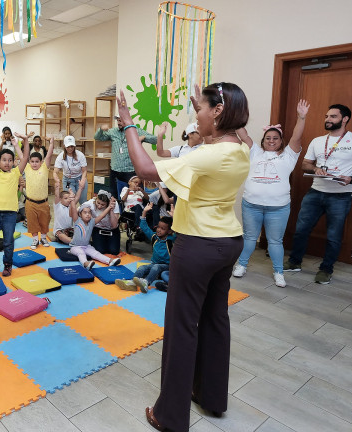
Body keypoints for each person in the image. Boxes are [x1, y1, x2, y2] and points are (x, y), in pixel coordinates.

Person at [118, 82, 250, 432]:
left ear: (218, 111)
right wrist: (207, 119)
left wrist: (128, 122)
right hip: (229, 241)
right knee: (214, 321)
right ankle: (211, 397)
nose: (196, 117)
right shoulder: (240, 150)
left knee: (181, 328)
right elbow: (212, 143)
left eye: (200, 110)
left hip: (198, 246)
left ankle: (170, 416)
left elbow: (146, 169)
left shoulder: (207, 155)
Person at [284, 103, 352, 284]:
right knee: (301, 230)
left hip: (341, 196)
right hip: (315, 193)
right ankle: (294, 262)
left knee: (334, 236)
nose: (328, 119)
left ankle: (326, 270)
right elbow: (305, 164)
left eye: (333, 116)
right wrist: (316, 168)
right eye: (327, 116)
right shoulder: (317, 141)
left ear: (345, 119)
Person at [232, 100, 310, 288]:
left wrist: (301, 117)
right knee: (250, 237)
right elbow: (243, 134)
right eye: (268, 138)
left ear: (281, 141)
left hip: (279, 208)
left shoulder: (289, 155)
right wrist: (235, 113)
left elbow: (296, 138)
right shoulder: (255, 152)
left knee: (275, 241)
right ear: (263, 140)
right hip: (251, 204)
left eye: (275, 138)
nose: (271, 141)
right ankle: (241, 265)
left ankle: (278, 272)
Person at [0, 127, 30, 276]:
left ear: (13, 161)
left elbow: (26, 157)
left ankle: (7, 264)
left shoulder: (16, 173)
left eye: (10, 160)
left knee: (8, 242)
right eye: (4, 160)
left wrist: (25, 140)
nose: (7, 163)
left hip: (10, 215)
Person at [94, 115, 157, 199]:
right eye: (118, 121)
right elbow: (98, 137)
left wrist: (144, 137)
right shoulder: (113, 131)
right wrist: (101, 129)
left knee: (134, 195)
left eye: (121, 121)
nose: (119, 123)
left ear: (127, 121)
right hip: (115, 171)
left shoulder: (136, 131)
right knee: (115, 196)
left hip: (130, 171)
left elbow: (155, 140)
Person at [116, 208, 175, 293]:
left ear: (169, 231)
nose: (159, 229)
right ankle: (132, 283)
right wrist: (144, 212)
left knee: (156, 267)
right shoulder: (154, 237)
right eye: (158, 227)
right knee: (142, 268)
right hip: (154, 264)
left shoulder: (171, 239)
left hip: (167, 266)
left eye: (162, 228)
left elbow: (179, 233)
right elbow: (144, 227)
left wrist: (173, 218)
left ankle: (146, 282)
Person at [68, 191, 122, 269]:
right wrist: (72, 200)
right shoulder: (77, 221)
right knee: (81, 253)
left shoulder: (92, 222)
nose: (87, 214)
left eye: (89, 213)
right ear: (80, 214)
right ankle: (85, 263)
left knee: (96, 253)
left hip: (86, 246)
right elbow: (73, 209)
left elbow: (102, 215)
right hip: (75, 247)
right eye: (85, 213)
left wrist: (110, 207)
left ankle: (110, 261)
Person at [23, 135, 55, 249]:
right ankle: (35, 239)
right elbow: (23, 156)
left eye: (37, 161)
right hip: (30, 202)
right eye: (32, 161)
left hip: (43, 202)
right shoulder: (27, 168)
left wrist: (51, 144)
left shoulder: (44, 168)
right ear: (29, 162)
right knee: (32, 222)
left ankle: (43, 238)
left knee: (44, 221)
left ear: (41, 162)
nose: (34, 164)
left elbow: (49, 155)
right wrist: (17, 145)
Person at [82, 190, 121, 255]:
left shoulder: (114, 203)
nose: (99, 206)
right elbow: (79, 210)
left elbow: (114, 225)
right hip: (98, 228)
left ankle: (107, 243)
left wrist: (110, 209)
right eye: (98, 203)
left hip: (111, 229)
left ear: (108, 203)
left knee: (114, 251)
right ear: (96, 199)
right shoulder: (91, 202)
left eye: (103, 205)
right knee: (100, 250)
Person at [53, 135, 88, 203]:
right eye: (68, 147)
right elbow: (55, 172)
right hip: (68, 181)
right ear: (64, 146)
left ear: (74, 146)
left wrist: (83, 181)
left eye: (72, 146)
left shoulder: (80, 155)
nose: (70, 148)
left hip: (80, 178)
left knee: (83, 201)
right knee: (69, 200)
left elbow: (84, 171)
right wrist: (57, 179)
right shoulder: (60, 156)